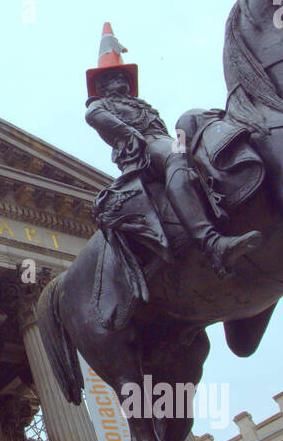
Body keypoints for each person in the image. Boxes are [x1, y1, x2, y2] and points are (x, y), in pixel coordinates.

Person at [84, 28, 262, 277]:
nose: (122, 80)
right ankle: (211, 242)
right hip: (145, 149)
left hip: (163, 141)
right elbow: (94, 116)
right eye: (115, 77)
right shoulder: (100, 103)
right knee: (176, 157)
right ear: (103, 84)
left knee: (198, 125)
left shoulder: (141, 105)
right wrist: (128, 133)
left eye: (123, 76)